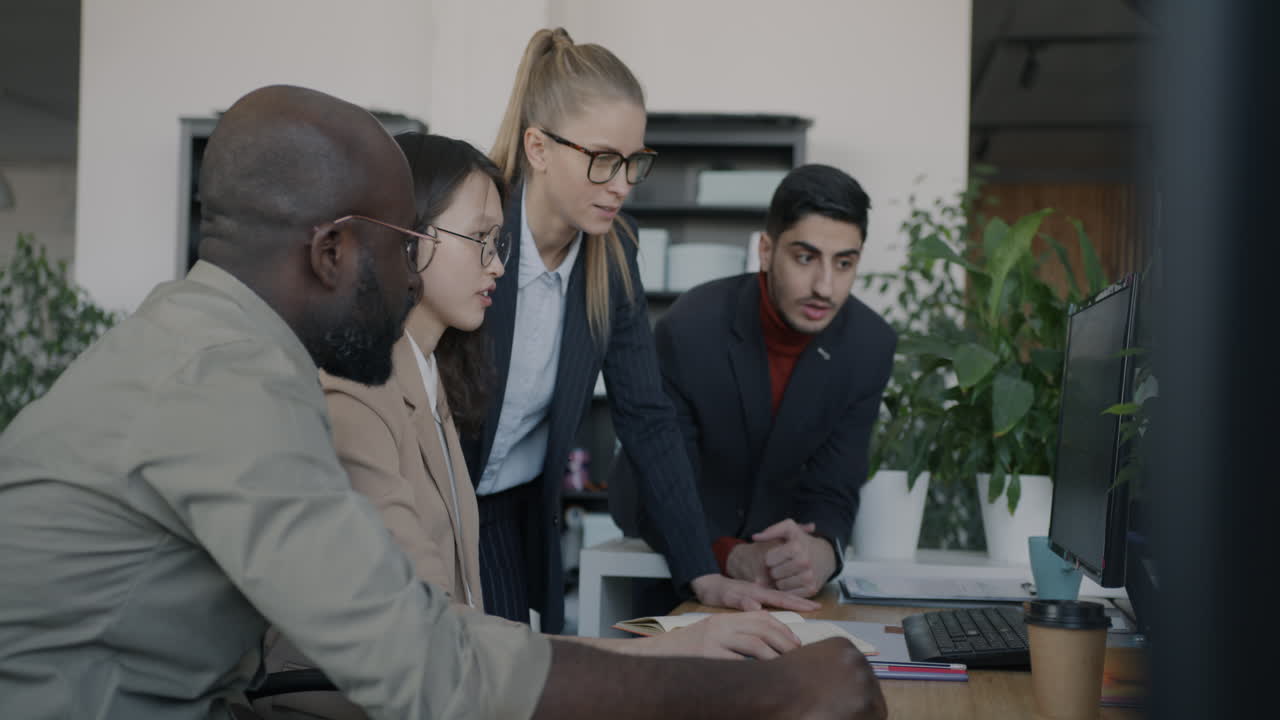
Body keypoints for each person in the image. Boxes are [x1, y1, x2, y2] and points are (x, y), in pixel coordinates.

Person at [0, 85, 886, 720]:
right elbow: (416, 659)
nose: (415, 272)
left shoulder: (209, 341)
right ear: (334, 252)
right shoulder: (229, 383)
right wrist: (746, 693)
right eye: (403, 245)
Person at [257, 132, 803, 719]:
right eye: (480, 240)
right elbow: (431, 632)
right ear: (407, 239)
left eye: (500, 243)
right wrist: (660, 653)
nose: (497, 264)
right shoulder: (354, 390)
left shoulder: (430, 375)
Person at [465, 26, 817, 634]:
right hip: (418, 503)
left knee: (508, 677)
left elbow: (647, 418)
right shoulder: (468, 229)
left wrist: (699, 568)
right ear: (539, 148)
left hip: (506, 519)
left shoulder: (612, 254)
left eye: (634, 162)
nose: (622, 183)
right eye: (603, 159)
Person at [619, 165, 897, 613]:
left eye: (844, 263)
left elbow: (836, 487)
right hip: (677, 564)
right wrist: (729, 553)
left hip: (784, 583)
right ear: (766, 252)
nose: (825, 287)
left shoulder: (870, 345)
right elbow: (661, 481)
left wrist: (822, 552)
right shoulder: (690, 327)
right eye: (805, 258)